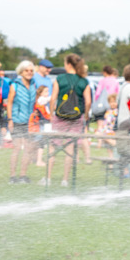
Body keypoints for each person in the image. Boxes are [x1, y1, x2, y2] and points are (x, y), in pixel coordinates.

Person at [46, 54, 93, 188]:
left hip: (59, 116)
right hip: (76, 118)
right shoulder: (84, 81)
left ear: (68, 64)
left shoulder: (60, 78)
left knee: (53, 146)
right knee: (70, 148)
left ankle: (48, 178)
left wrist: (51, 114)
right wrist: (86, 115)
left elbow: (53, 98)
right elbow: (88, 102)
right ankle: (65, 180)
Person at [6, 60, 37, 184]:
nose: (29, 73)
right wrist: (10, 120)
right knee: (17, 148)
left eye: (31, 71)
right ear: (21, 72)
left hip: (30, 122)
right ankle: (12, 176)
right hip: (17, 120)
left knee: (28, 148)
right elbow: (9, 103)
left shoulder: (34, 85)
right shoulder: (15, 85)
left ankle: (23, 175)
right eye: (26, 70)